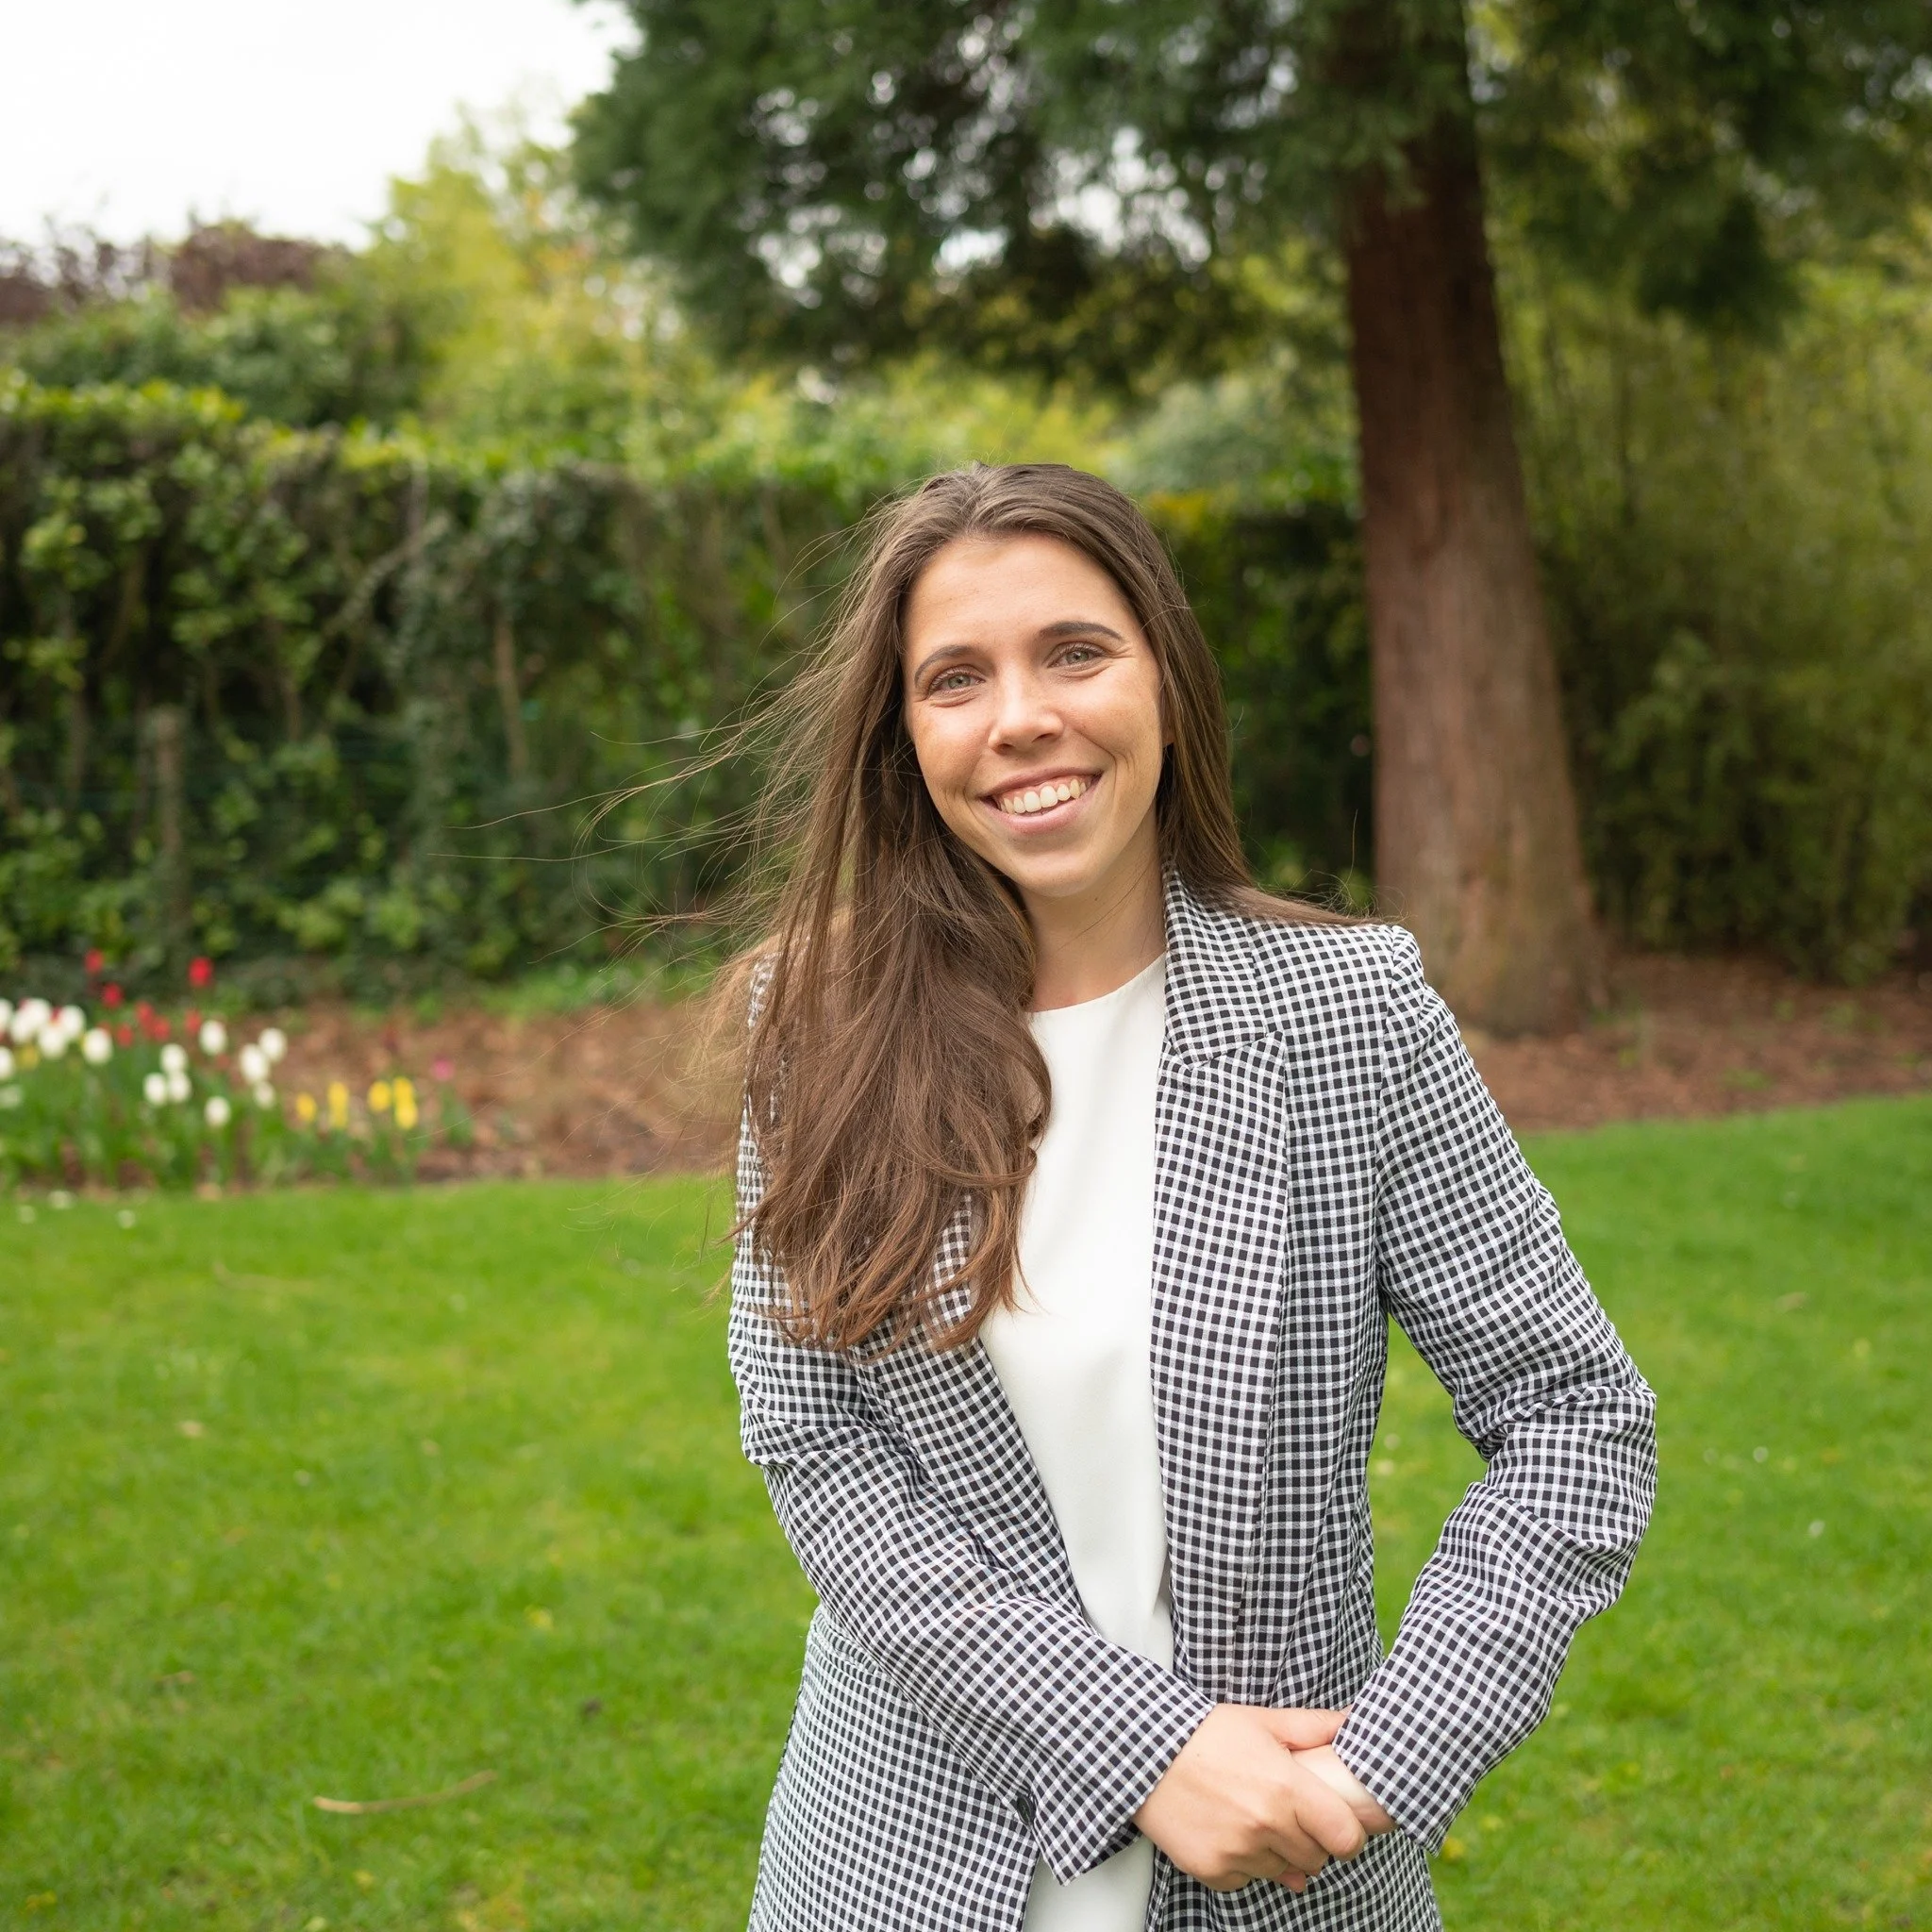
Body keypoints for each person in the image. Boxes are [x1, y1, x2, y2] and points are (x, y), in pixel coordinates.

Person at [724, 463, 1657, 1931]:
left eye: (1074, 652)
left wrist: (1381, 1767)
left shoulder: (1349, 1017)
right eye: (954, 678)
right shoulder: (821, 1024)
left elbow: (1575, 1419)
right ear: (906, 739)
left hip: (1291, 1870)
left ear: (1164, 677)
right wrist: (1143, 1741)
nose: (1020, 715)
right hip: (891, 1867)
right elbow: (814, 1439)